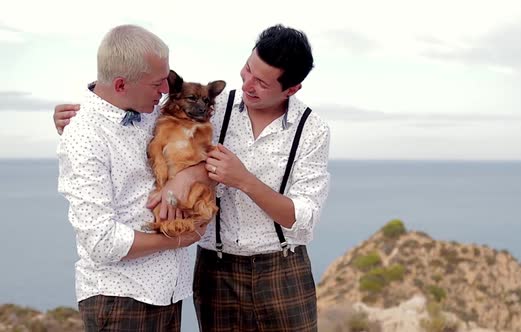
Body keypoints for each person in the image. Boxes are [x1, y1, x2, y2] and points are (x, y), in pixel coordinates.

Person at [55, 24, 330, 332]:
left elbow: (305, 218)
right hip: (215, 270)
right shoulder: (213, 104)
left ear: (291, 90)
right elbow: (130, 105)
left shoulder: (311, 130)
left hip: (283, 270)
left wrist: (244, 180)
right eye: (248, 70)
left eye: (262, 83)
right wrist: (76, 116)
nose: (248, 84)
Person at [56, 24, 208, 332]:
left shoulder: (152, 111)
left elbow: (209, 148)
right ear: (122, 84)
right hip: (122, 299)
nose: (166, 90)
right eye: (158, 83)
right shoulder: (85, 134)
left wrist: (189, 175)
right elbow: (101, 242)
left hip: (168, 293)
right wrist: (178, 240)